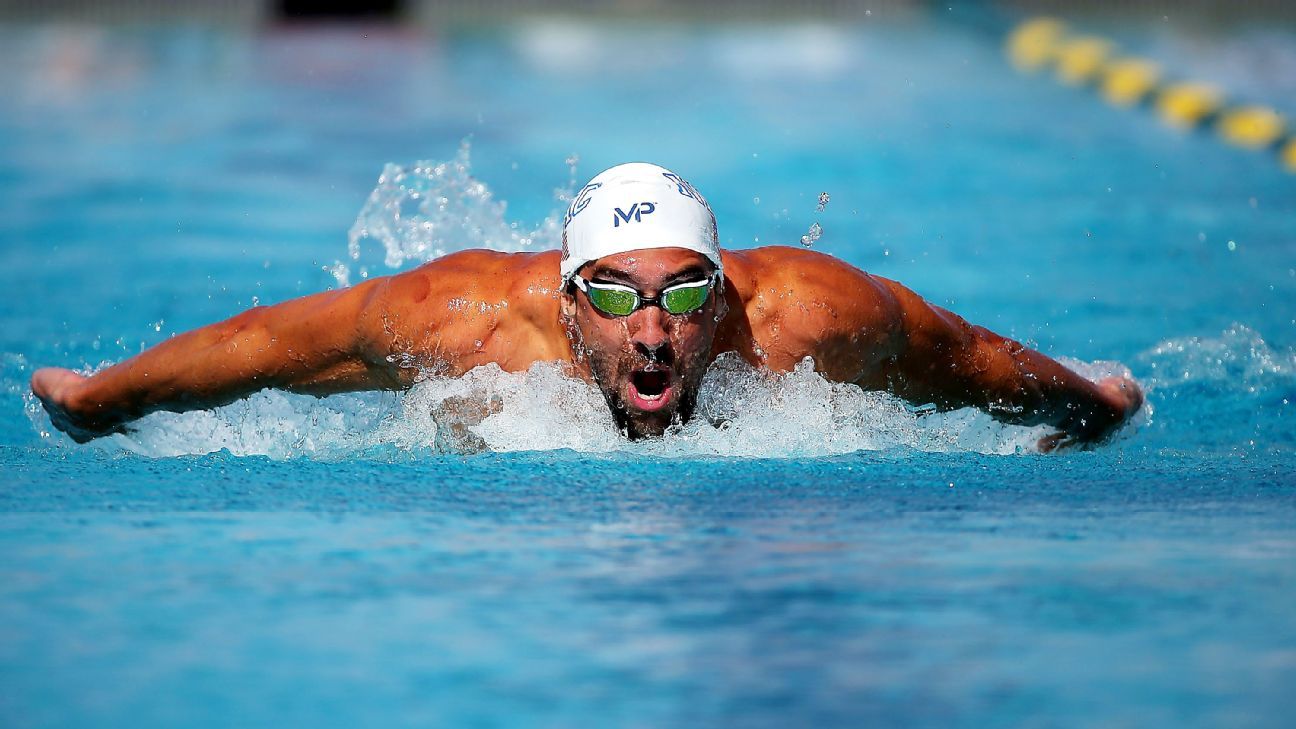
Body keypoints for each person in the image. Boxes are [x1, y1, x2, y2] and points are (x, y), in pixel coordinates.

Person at [31, 162, 1142, 450]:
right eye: (613, 295)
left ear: (723, 297)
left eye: (683, 297)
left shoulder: (805, 316)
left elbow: (970, 358)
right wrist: (98, 400)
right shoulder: (464, 316)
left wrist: (1092, 402)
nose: (652, 330)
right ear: (570, 302)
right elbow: (266, 346)